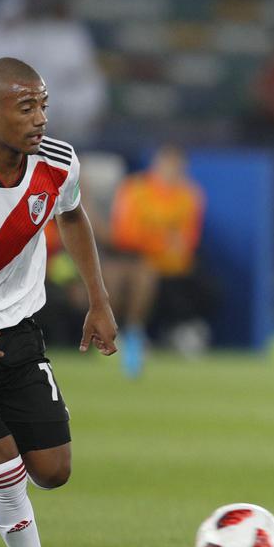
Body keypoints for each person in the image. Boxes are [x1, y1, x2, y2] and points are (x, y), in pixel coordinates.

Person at [0, 57, 118, 547]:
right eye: (26, 107)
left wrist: (98, 301)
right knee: (5, 465)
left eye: (44, 105)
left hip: (19, 334)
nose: (40, 119)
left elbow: (72, 216)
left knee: (53, 472)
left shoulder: (58, 163)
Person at [108, 144, 206, 377]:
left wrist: (160, 244)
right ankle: (125, 336)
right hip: (134, 260)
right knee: (136, 275)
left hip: (174, 267)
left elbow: (187, 240)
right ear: (156, 164)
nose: (172, 170)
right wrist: (161, 242)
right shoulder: (135, 189)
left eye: (177, 166)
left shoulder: (189, 195)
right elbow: (125, 233)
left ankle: (165, 333)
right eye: (167, 164)